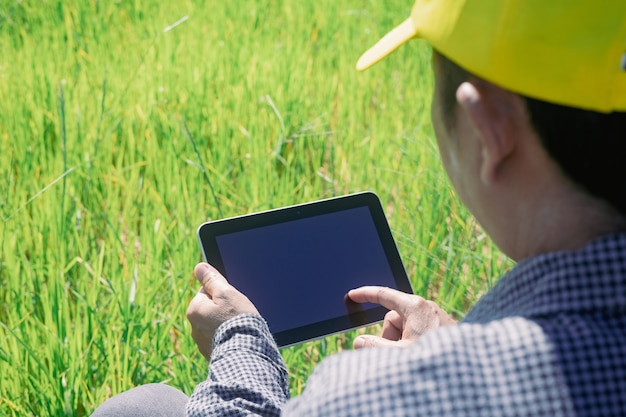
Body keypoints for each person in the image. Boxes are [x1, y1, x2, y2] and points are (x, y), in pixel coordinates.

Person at [92, 0, 626, 415]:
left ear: (489, 130)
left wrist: (240, 343)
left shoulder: (372, 399)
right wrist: (462, 347)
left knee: (136, 409)